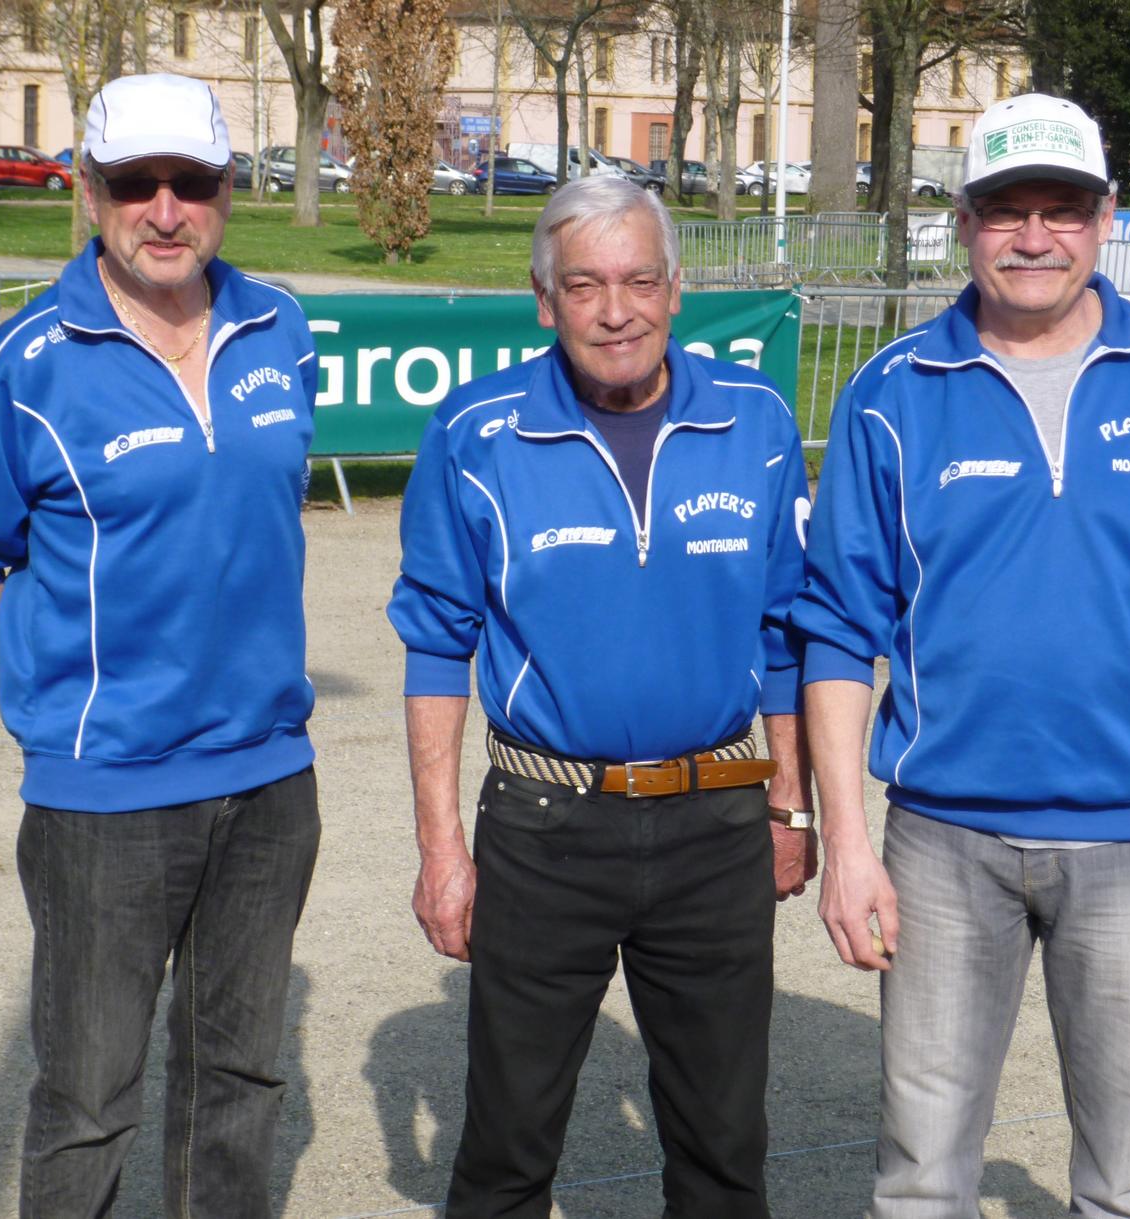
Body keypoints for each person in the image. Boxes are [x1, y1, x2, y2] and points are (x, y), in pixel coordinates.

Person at [791, 93, 1130, 1218]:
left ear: (1105, 218)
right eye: (1004, 209)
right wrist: (849, 847)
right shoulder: (891, 397)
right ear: (963, 224)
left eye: (1059, 209)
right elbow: (834, 631)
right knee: (921, 1175)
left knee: (1129, 1178)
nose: (1033, 236)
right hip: (940, 844)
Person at [0, 73, 321, 1218]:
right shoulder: (29, 362)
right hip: (105, 796)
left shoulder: (277, 329)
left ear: (226, 192)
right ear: (87, 192)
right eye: (133, 183)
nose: (163, 209)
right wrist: (66, 683)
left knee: (239, 1084)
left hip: (269, 780)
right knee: (92, 1097)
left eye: (188, 183)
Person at [387, 175, 816, 1218]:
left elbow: (787, 634)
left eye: (636, 281)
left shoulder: (755, 421)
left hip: (718, 817)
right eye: (584, 285)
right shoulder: (476, 433)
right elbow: (438, 648)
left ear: (677, 291)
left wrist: (789, 806)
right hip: (545, 827)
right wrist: (444, 850)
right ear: (545, 301)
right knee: (507, 1147)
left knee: (723, 1149)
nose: (614, 309)